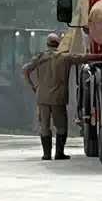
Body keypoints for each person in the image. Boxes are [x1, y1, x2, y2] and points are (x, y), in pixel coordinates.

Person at [21, 33, 94, 161]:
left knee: (44, 126)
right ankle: (59, 153)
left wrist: (33, 86)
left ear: (47, 44)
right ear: (58, 44)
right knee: (60, 126)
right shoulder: (65, 57)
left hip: (42, 97)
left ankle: (46, 154)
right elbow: (83, 58)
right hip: (58, 98)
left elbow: (25, 70)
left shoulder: (40, 58)